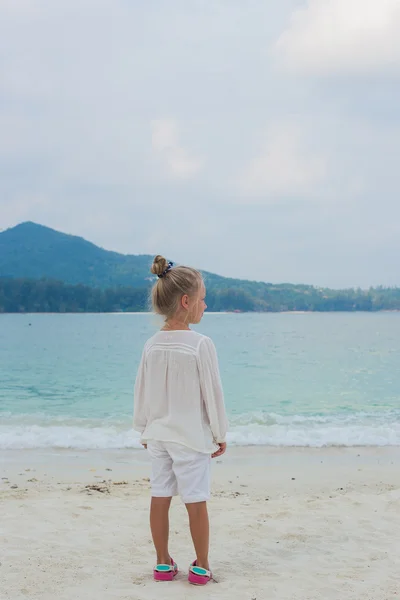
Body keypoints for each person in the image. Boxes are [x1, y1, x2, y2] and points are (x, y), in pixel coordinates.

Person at [133, 255, 228, 586]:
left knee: (159, 496)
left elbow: (141, 391)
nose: (205, 305)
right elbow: (213, 395)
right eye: (202, 299)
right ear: (186, 302)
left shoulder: (151, 345)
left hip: (158, 435)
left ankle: (162, 564)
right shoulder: (201, 345)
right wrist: (219, 433)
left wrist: (143, 427)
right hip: (190, 437)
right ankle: (201, 567)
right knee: (195, 501)